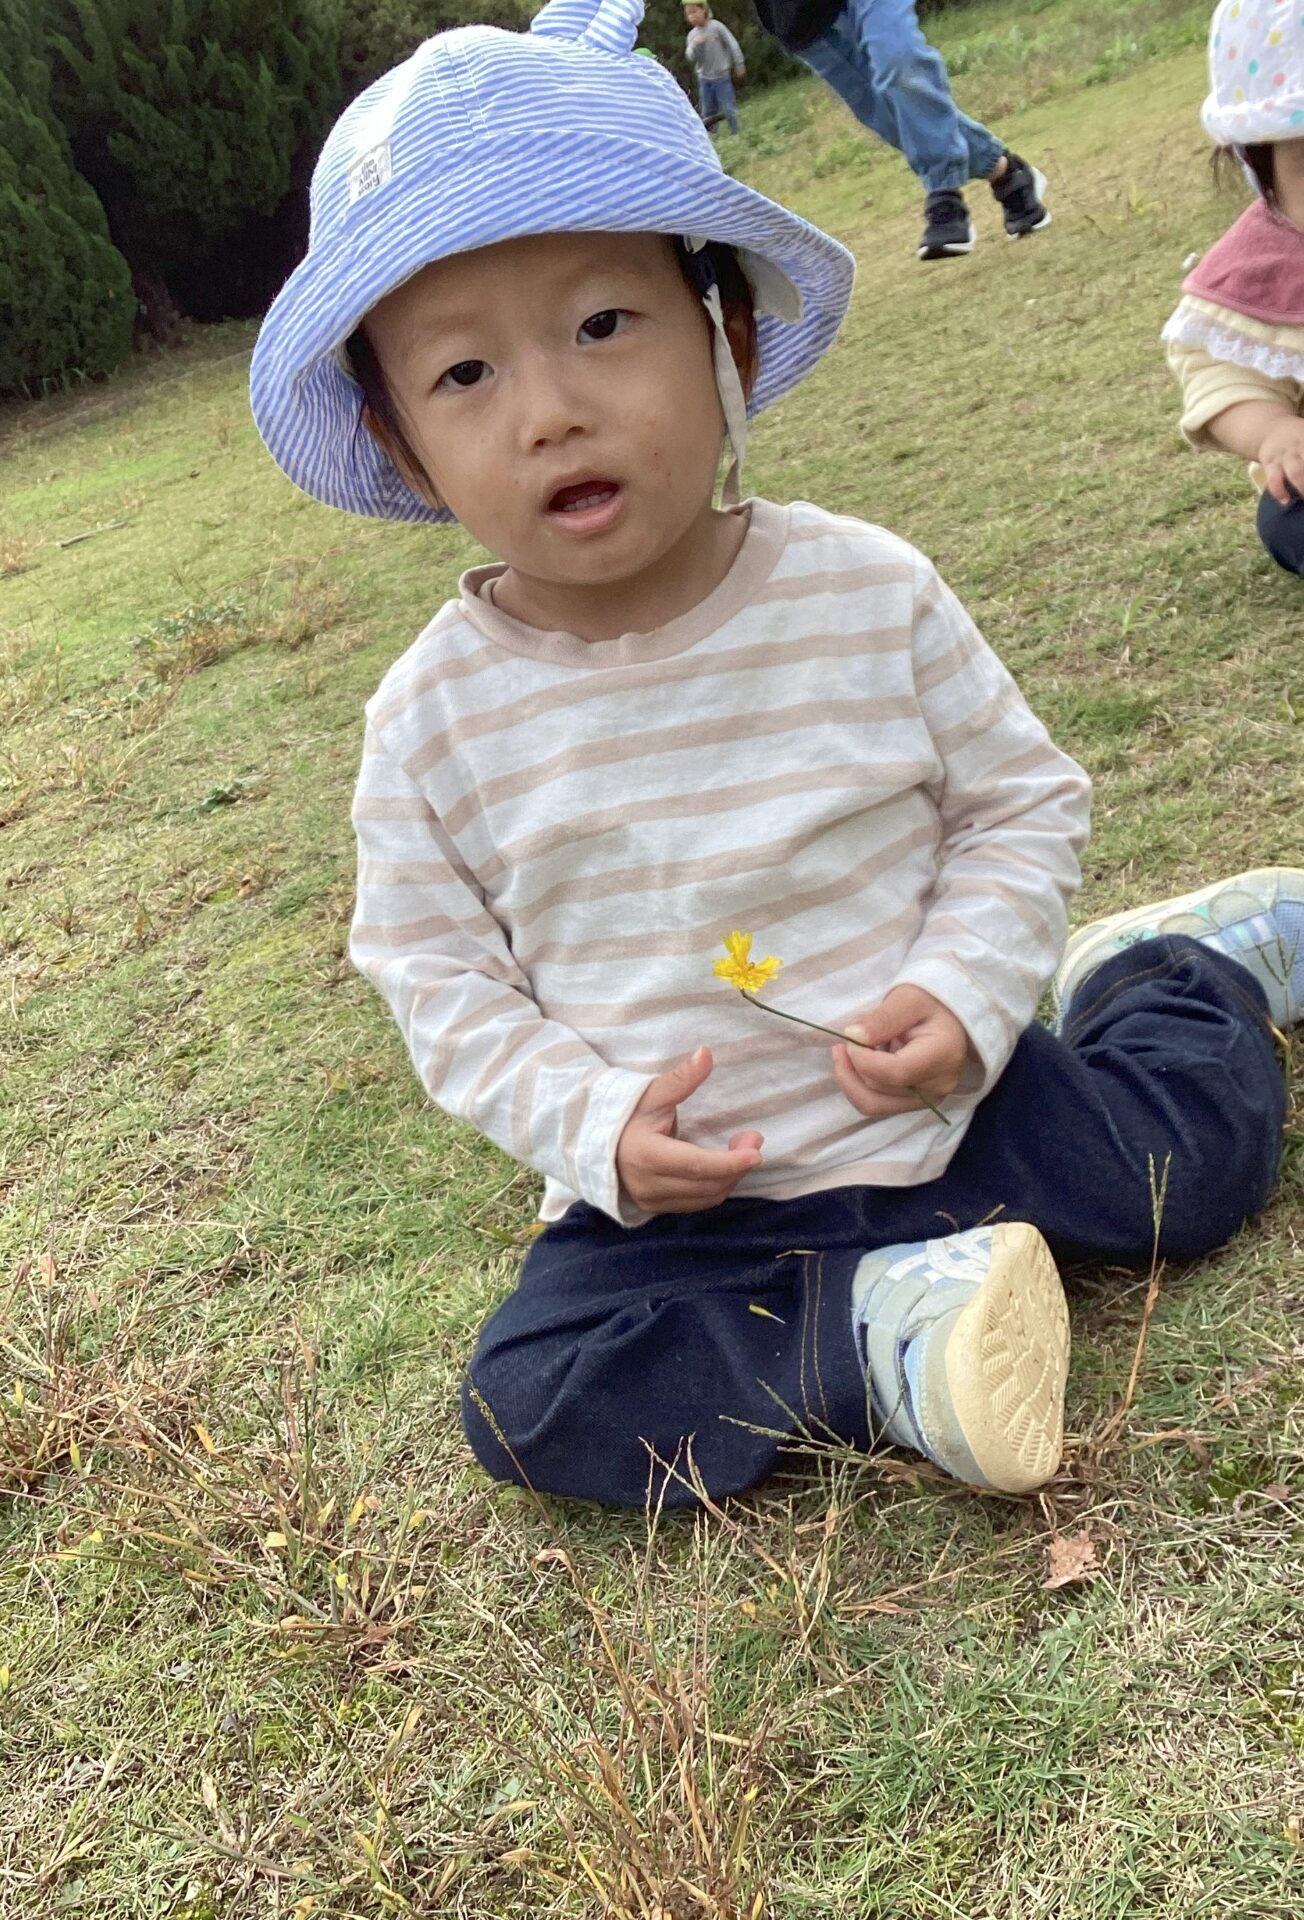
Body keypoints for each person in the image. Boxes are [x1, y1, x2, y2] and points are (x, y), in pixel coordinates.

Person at [250, 0, 1299, 1513]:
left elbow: (1016, 807)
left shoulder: (863, 591)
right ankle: (877, 1340)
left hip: (951, 1106)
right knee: (533, 1400)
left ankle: (1165, 976)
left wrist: (964, 993)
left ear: (724, 331)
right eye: (464, 374)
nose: (549, 412)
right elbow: (440, 983)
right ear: (399, 440)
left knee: (1193, 1167)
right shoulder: (432, 721)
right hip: (700, 1215)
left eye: (602, 325)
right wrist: (593, 1127)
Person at [1163, 0, 1304, 576]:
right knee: (1289, 517)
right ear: (1259, 170)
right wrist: (1275, 431)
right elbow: (1223, 375)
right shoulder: (1262, 269)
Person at [751, 0, 1050, 260]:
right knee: (886, 115)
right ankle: (1008, 174)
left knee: (899, 61)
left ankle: (944, 197)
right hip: (794, 13)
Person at [684, 1, 745, 136]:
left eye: (695, 12)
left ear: (704, 10)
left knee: (729, 107)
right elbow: (690, 57)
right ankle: (711, 137)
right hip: (704, 79)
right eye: (689, 14)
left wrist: (739, 63)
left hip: (721, 76)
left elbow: (732, 44)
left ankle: (736, 133)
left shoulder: (716, 26)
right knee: (708, 112)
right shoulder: (692, 36)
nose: (692, 16)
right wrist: (694, 45)